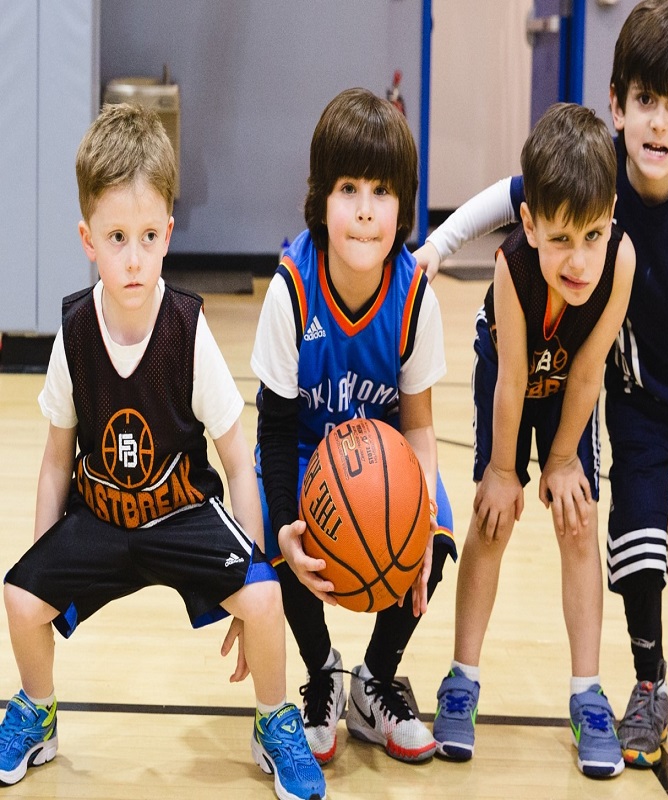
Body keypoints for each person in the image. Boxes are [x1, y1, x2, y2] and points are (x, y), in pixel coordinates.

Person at [417, 0, 668, 770]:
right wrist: (436, 246)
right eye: (645, 102)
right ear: (619, 105)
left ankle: (630, 684)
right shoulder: (574, 199)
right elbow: (514, 198)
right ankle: (553, 681)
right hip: (588, 387)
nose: (657, 122)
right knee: (567, 530)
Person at [0, 103, 326, 800]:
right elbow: (58, 458)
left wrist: (255, 565)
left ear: (169, 234)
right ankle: (38, 708)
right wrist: (43, 564)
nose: (134, 256)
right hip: (101, 518)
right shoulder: (76, 332)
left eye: (149, 236)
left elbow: (238, 458)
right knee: (18, 597)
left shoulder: (186, 329)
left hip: (180, 515)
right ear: (88, 239)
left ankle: (274, 720)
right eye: (117, 237)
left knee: (266, 602)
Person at [251, 87, 456, 766]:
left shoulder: (413, 296)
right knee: (267, 522)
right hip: (309, 455)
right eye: (348, 188)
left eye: (381, 190)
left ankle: (374, 680)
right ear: (321, 200)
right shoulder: (292, 288)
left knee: (441, 526)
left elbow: (421, 429)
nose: (365, 209)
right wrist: (283, 524)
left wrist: (421, 517)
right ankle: (320, 672)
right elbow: (274, 433)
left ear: (403, 206)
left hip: (385, 469)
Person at [430, 102, 635, 778]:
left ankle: (587, 694)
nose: (580, 260)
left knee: (579, 521)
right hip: (515, 377)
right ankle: (462, 678)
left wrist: (564, 458)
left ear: (612, 216)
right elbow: (512, 380)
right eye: (562, 239)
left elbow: (588, 372)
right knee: (492, 521)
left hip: (573, 384)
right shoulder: (512, 268)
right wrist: (501, 470)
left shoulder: (621, 263)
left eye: (595, 235)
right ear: (529, 224)